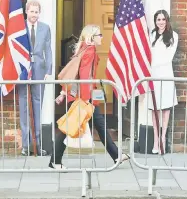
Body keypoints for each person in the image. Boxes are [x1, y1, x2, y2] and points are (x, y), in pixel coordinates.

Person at [49, 24, 130, 169]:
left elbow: (76, 74)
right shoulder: (90, 50)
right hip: (83, 97)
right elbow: (85, 77)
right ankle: (54, 161)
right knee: (68, 127)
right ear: (91, 37)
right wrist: (86, 100)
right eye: (99, 35)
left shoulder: (83, 49)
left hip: (82, 95)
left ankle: (117, 155)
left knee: (97, 124)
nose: (101, 37)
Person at [19, 0, 52, 156]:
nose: (34, 15)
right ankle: (26, 146)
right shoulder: (19, 27)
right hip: (23, 69)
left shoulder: (45, 28)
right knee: (24, 105)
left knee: (37, 104)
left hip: (39, 68)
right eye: (31, 11)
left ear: (39, 13)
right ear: (26, 11)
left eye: (36, 12)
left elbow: (48, 50)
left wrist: (49, 69)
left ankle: (37, 145)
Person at [148, 10, 178, 154]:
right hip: (153, 75)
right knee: (154, 108)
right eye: (158, 19)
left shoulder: (173, 36)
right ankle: (155, 140)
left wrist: (153, 64)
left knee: (165, 108)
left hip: (165, 74)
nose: (160, 22)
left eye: (163, 19)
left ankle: (163, 139)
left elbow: (168, 58)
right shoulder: (152, 35)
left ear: (167, 21)